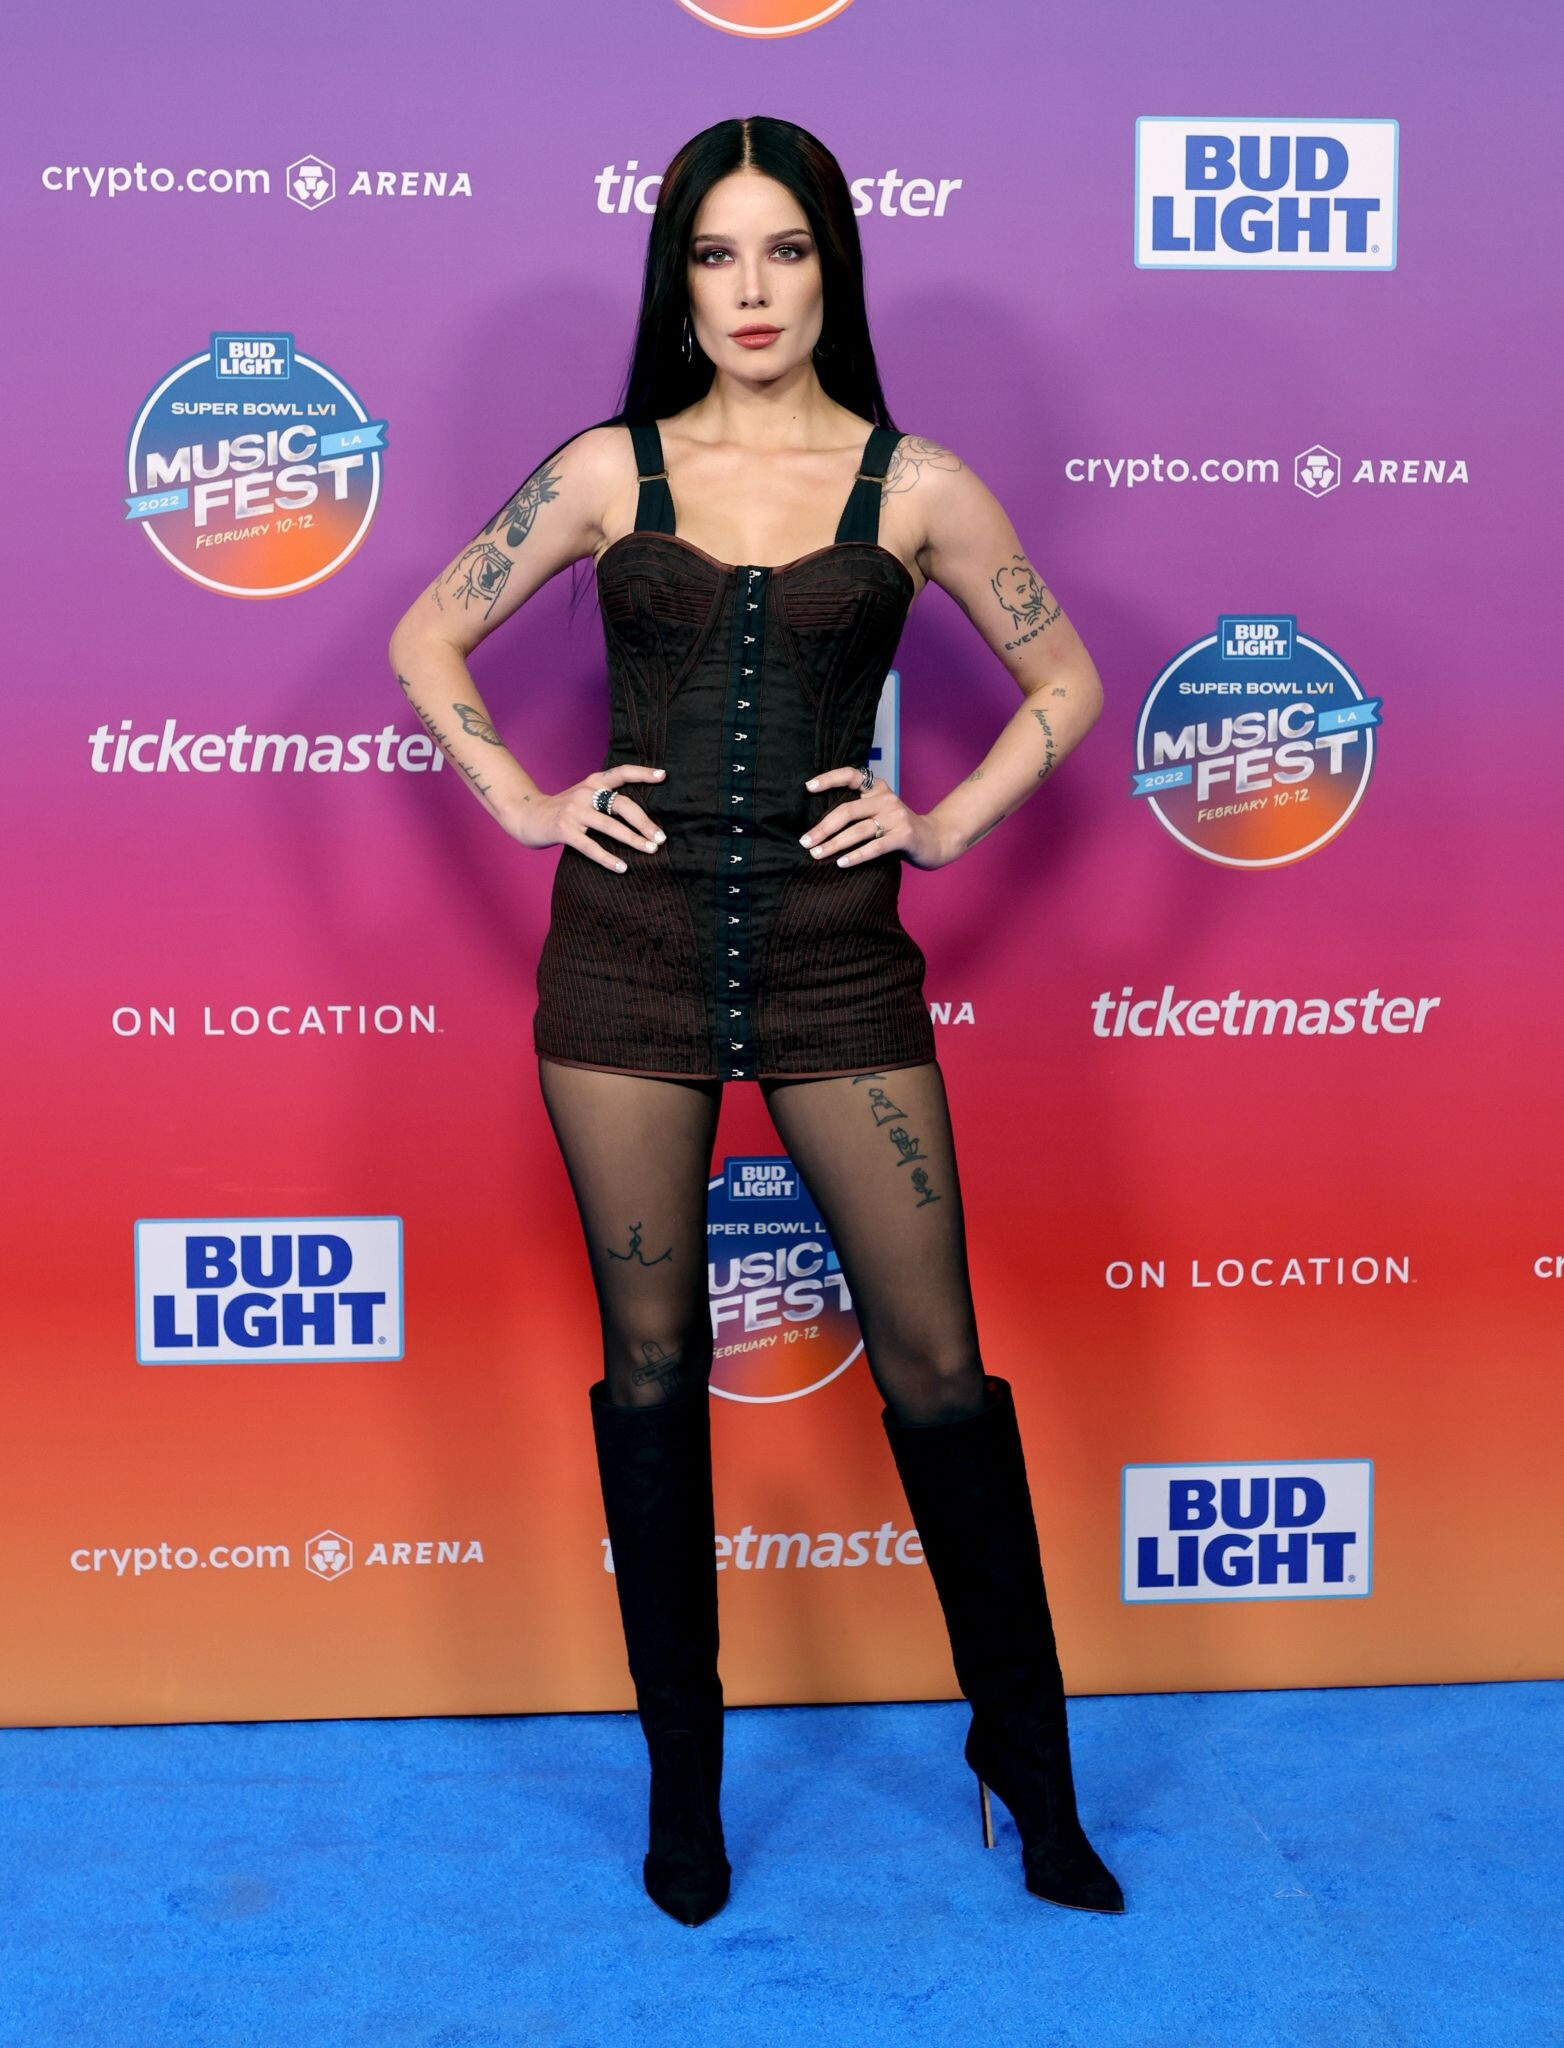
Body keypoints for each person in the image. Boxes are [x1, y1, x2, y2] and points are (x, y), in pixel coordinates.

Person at [388, 115, 1123, 1926]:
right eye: (717, 254)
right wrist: (523, 800)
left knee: (937, 1370)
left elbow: (1066, 678)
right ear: (678, 279)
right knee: (651, 1373)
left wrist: (942, 822)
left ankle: (1030, 1773)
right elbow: (424, 638)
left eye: (784, 249)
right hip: (624, 966)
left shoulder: (918, 484)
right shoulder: (606, 469)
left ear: (831, 268)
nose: (751, 289)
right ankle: (686, 1795)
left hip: (836, 966)